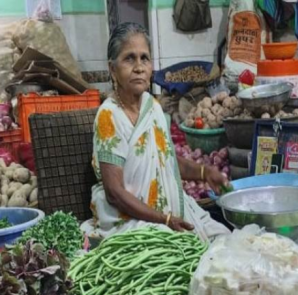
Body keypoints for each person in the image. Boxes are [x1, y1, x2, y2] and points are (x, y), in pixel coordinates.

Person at [82, 22, 230, 242]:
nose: (139, 67)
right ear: (112, 69)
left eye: (145, 58)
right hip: (130, 218)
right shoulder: (109, 117)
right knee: (178, 252)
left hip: (169, 212)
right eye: (129, 58)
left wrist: (204, 173)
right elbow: (114, 193)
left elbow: (165, 160)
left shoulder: (152, 107)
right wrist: (164, 219)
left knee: (223, 237)